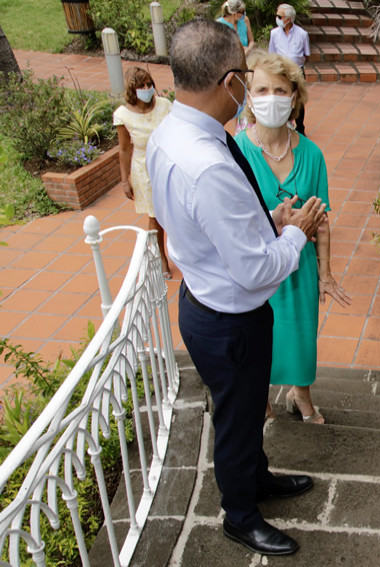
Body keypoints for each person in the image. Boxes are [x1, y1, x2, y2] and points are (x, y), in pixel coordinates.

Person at [147, 20, 327, 556]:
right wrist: (297, 231)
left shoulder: (172, 133)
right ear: (229, 82)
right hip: (230, 316)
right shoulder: (208, 164)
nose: (252, 91)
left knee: (247, 411)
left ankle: (258, 478)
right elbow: (255, 271)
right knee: (236, 419)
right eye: (248, 79)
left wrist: (265, 221)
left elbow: (201, 223)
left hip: (205, 294)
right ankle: (239, 514)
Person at [236, 50, 351, 424]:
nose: (272, 97)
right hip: (257, 268)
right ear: (250, 96)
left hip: (298, 268)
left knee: (301, 337)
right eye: (263, 89)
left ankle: (301, 394)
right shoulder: (237, 151)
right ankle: (262, 399)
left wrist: (326, 272)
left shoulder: (312, 154)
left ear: (294, 97)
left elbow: (322, 221)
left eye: (281, 90)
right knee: (259, 340)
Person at [113, 67, 173, 278]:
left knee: (175, 210)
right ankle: (161, 257)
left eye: (149, 84)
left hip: (168, 163)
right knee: (155, 216)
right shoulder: (123, 115)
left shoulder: (164, 106)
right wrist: (124, 180)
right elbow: (124, 149)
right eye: (142, 86)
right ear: (133, 90)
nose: (147, 89)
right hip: (144, 169)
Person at [268, 4, 310, 134]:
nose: (278, 18)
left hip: (297, 70)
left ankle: (300, 127)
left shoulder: (302, 34)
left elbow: (306, 54)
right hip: (280, 70)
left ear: (289, 18)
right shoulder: (274, 33)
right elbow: (272, 53)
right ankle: (282, 124)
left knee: (298, 99)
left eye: (280, 16)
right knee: (280, 96)